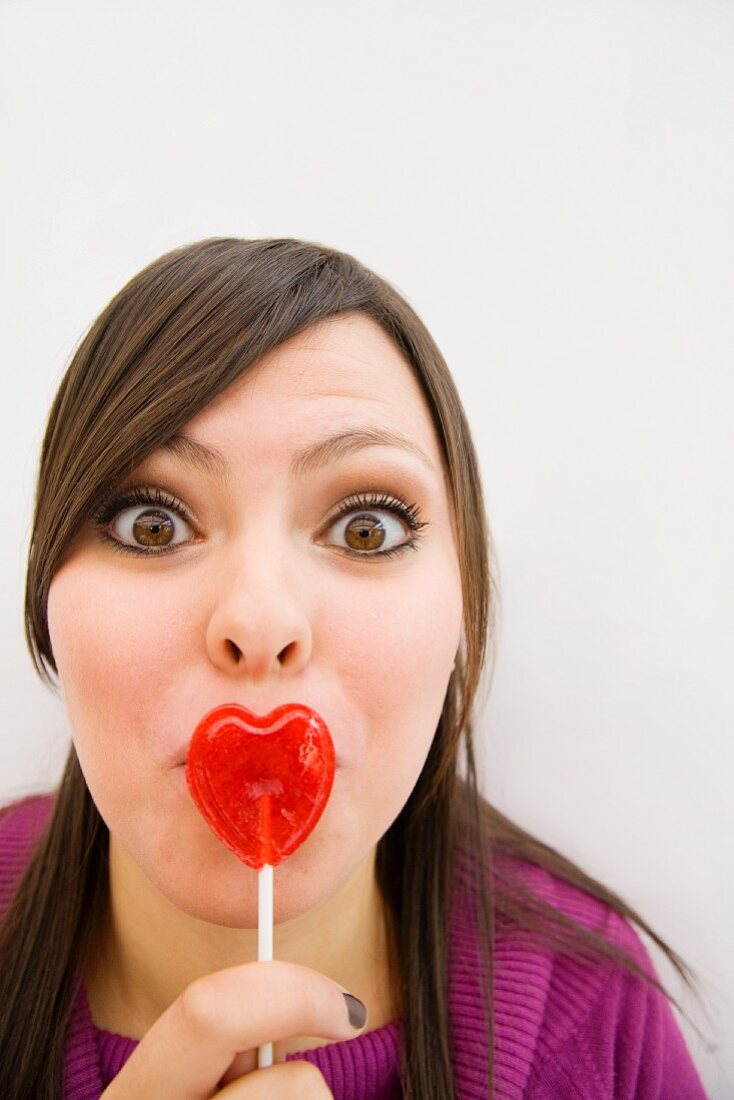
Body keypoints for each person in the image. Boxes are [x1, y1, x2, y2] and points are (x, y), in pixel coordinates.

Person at [0, 238, 708, 1099]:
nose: (259, 621)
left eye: (365, 528)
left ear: (464, 606)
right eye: (152, 524)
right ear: (43, 598)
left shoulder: (590, 1015)